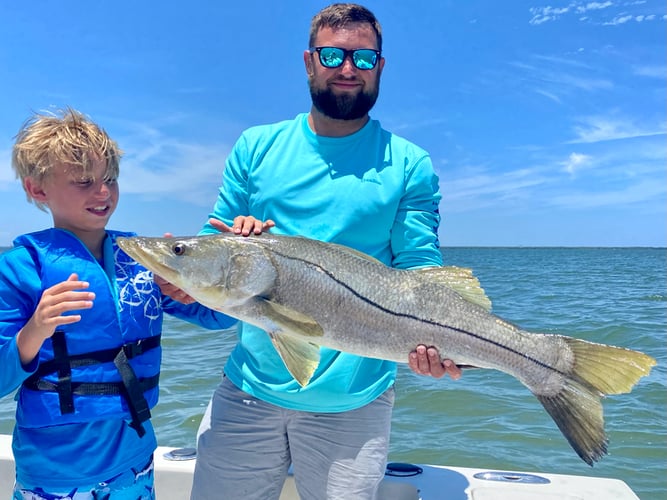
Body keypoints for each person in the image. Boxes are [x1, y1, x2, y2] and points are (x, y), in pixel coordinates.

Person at [162, 3, 461, 499]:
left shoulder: (409, 164)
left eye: (364, 59)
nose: (348, 69)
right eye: (333, 55)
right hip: (248, 393)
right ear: (308, 62)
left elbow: (420, 272)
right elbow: (206, 250)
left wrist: (449, 351)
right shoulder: (256, 147)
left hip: (353, 403)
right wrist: (186, 282)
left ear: (380, 67)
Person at [0, 108, 242, 500]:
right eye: (84, 182)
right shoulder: (19, 269)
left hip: (134, 463)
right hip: (54, 473)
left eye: (110, 179)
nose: (103, 192)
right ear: (37, 190)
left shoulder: (143, 258)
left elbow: (217, 318)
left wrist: (230, 265)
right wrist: (35, 330)